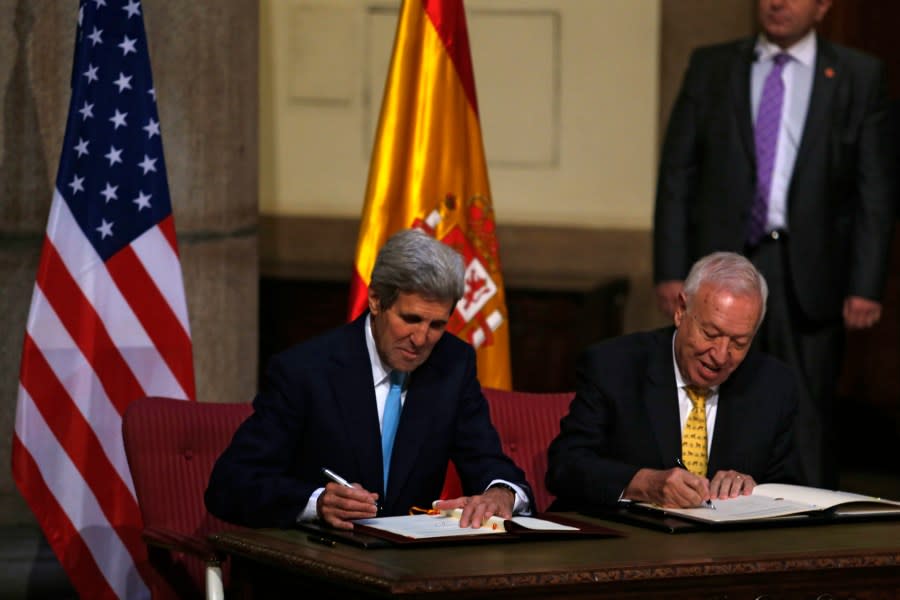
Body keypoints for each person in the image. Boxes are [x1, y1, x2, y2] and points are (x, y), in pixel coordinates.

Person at [653, 0, 896, 488]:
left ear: (823, 6)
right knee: (716, 387)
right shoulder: (712, 66)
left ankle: (804, 523)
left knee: (807, 411)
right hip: (725, 265)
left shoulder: (856, 75)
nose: (776, 3)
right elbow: (678, 173)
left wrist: (866, 283)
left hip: (812, 271)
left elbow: (875, 187)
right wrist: (670, 267)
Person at [205, 228, 532, 530]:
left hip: (411, 570)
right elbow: (232, 483)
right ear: (376, 300)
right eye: (411, 319)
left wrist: (501, 493)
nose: (421, 339)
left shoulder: (452, 364)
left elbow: (487, 460)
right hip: (323, 563)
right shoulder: (306, 371)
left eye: (437, 325)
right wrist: (317, 502)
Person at [546, 252, 802, 510]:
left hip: (725, 547)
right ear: (681, 311)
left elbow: (790, 488)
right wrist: (644, 484)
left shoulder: (774, 385)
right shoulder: (614, 366)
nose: (720, 356)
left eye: (739, 343)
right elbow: (566, 466)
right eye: (710, 334)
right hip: (629, 541)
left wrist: (752, 488)